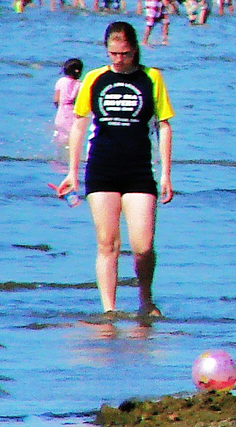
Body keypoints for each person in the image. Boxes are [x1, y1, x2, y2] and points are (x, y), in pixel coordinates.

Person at [56, 21, 176, 319]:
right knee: (107, 243)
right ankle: (108, 309)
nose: (118, 60)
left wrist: (166, 174)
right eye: (112, 53)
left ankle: (145, 299)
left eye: (123, 53)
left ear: (134, 49)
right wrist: (72, 172)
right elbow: (79, 124)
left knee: (142, 246)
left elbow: (163, 125)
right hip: (101, 169)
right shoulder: (95, 78)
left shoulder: (152, 78)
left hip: (138, 171)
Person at [53, 58, 84, 148]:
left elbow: (56, 100)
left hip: (62, 112)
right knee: (73, 137)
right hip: (74, 112)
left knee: (60, 137)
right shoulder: (80, 84)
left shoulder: (61, 81)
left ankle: (59, 158)